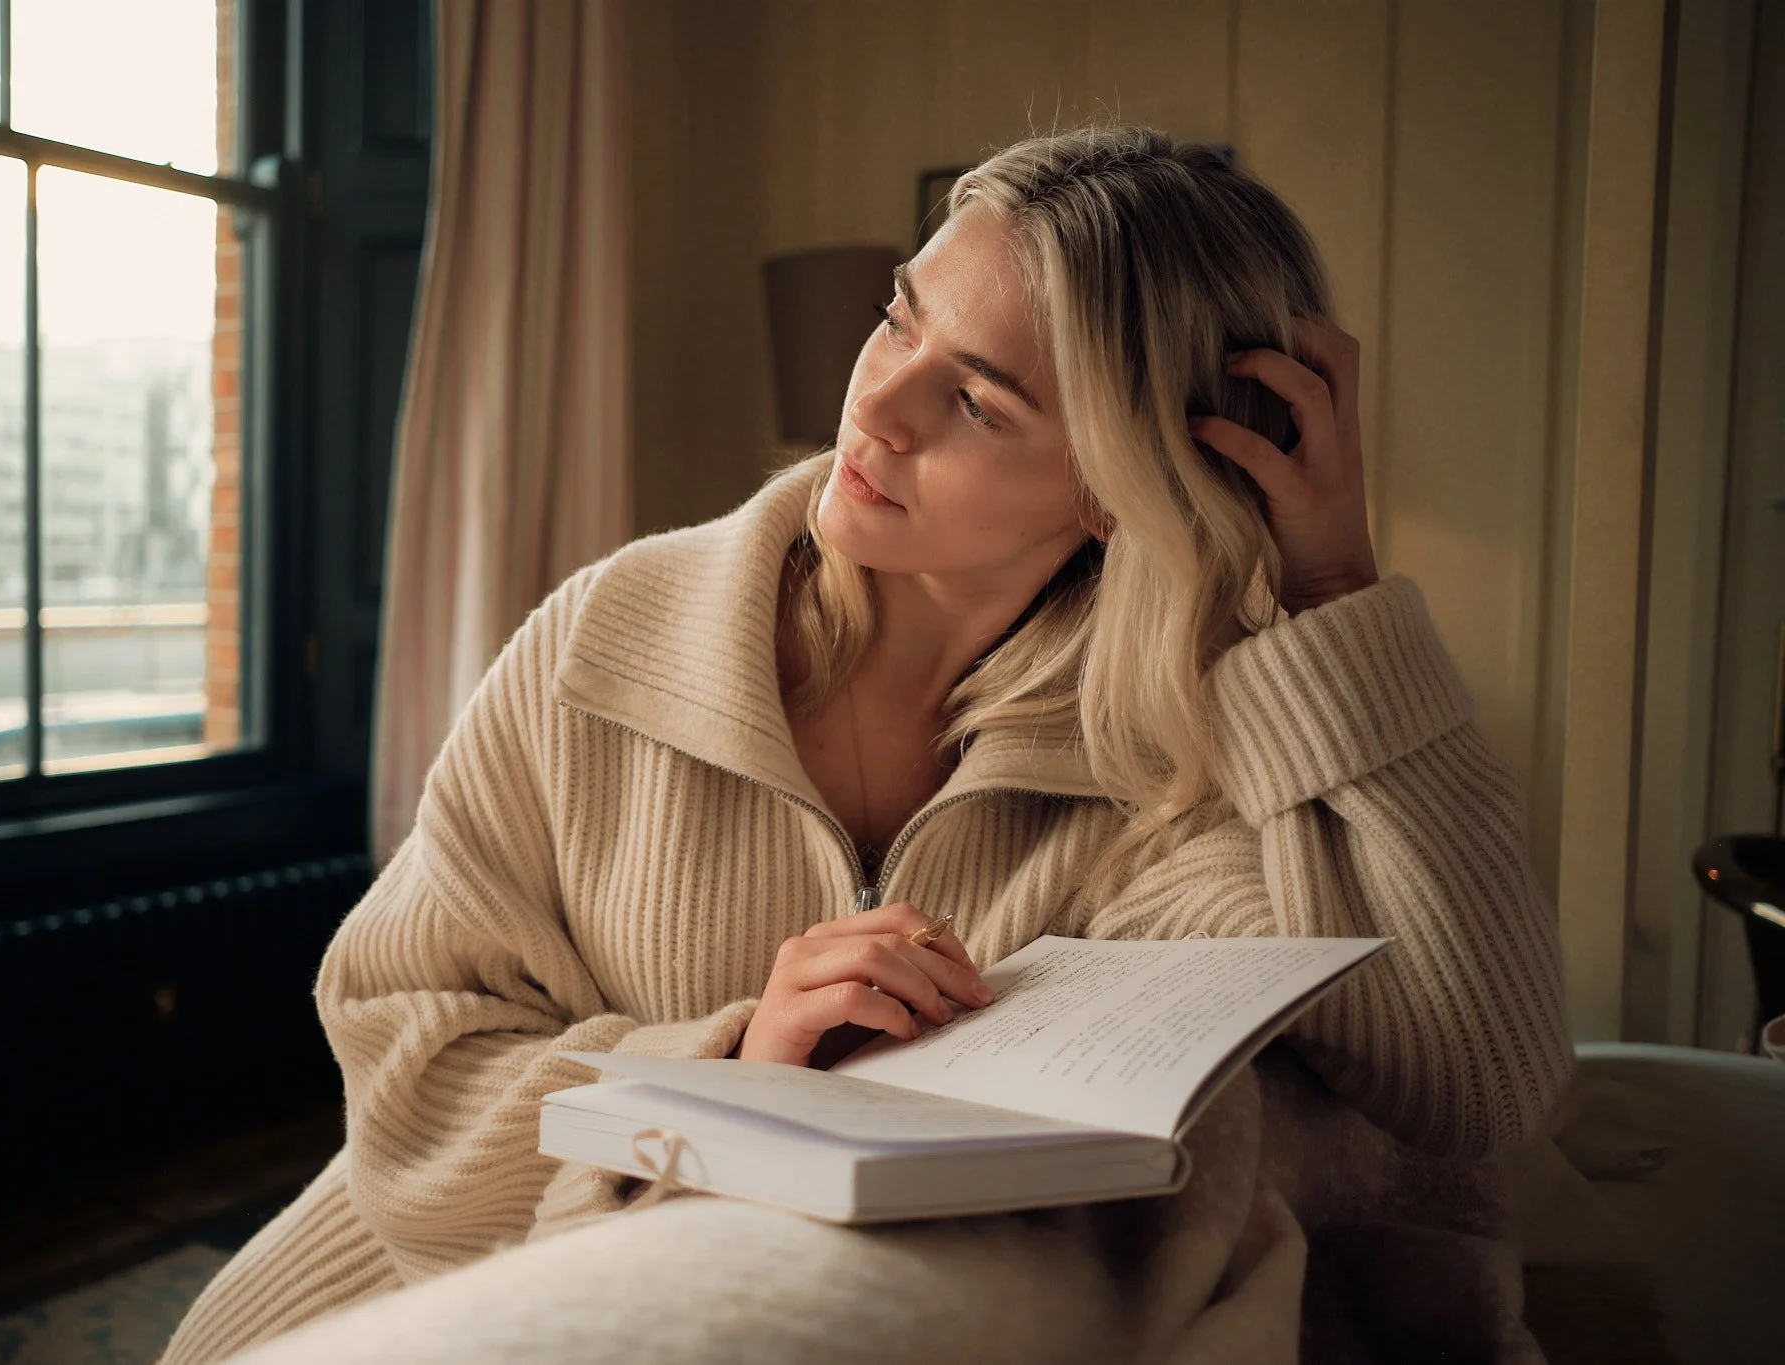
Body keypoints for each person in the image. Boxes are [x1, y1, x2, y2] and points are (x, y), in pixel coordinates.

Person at [161, 123, 1571, 1364]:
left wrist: (1332, 590)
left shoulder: (1171, 752)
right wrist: (728, 1066)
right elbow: (409, 1051)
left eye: (977, 401)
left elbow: (1471, 1077)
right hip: (402, 1289)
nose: (876, 408)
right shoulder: (609, 635)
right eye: (899, 321)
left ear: (1112, 490)